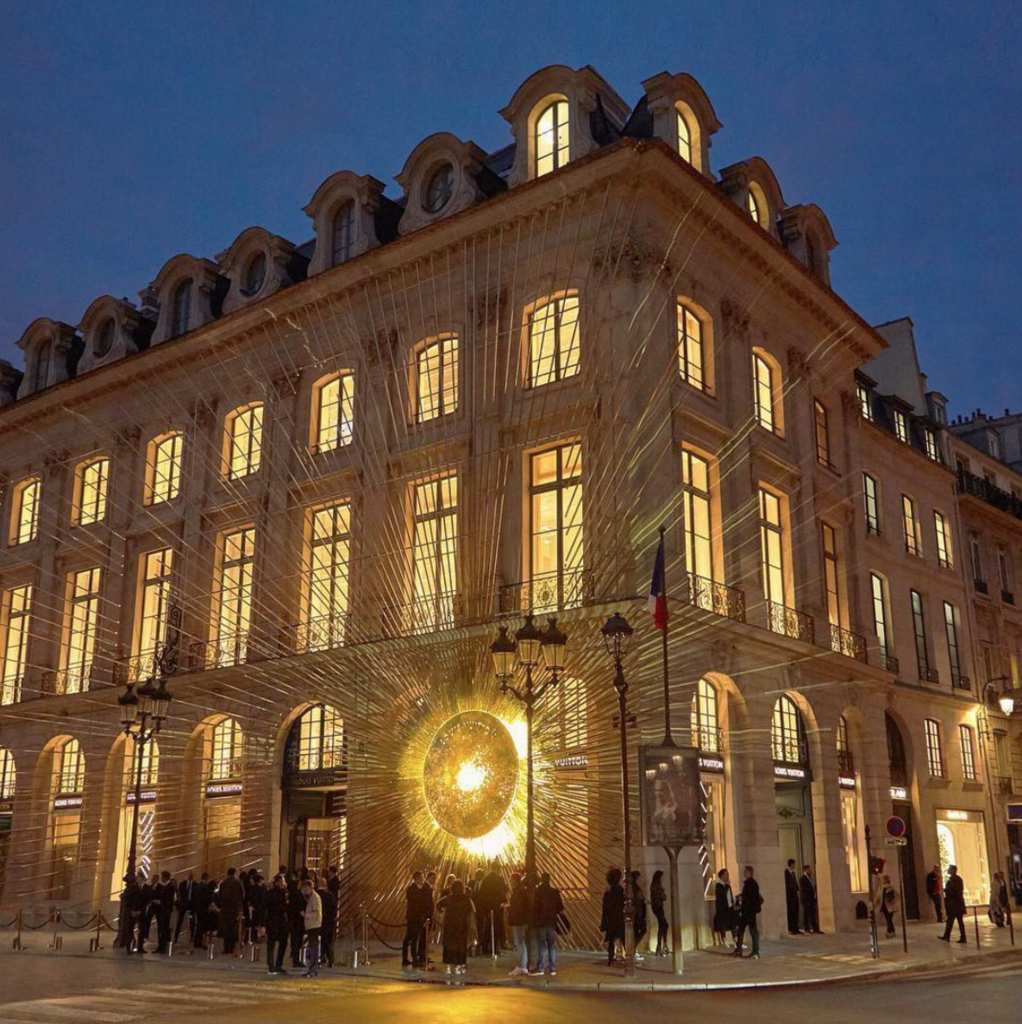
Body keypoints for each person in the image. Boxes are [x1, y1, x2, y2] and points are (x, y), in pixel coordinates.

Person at [438, 879, 475, 976]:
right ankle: (460, 963)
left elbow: (438, 904)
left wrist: (442, 912)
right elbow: (471, 911)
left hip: (450, 925)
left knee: (450, 944)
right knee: (461, 945)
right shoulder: (466, 899)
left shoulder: (448, 898)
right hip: (462, 926)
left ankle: (449, 963)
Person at [532, 872, 565, 976]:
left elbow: (535, 908)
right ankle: (552, 968)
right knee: (551, 945)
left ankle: (540, 967)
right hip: (551, 922)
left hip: (541, 922)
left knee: (542, 945)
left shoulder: (538, 892)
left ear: (541, 880)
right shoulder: (554, 892)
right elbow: (560, 908)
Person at [402, 870, 431, 969]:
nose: (423, 879)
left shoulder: (424, 888)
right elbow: (415, 901)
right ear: (416, 879)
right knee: (411, 938)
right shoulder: (411, 889)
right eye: (421, 877)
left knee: (415, 938)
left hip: (420, 917)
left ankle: (415, 957)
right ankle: (410, 958)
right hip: (412, 917)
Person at [478, 863, 508, 954]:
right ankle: (495, 948)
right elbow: (503, 892)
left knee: (487, 927)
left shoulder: (486, 879)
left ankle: (485, 948)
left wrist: (483, 906)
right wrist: (503, 901)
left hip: (487, 906)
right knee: (497, 927)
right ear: (498, 869)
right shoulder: (500, 879)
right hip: (497, 906)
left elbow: (481, 894)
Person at [506, 872, 532, 977]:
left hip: (519, 921)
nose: (511, 883)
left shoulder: (518, 892)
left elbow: (518, 907)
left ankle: (521, 966)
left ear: (515, 881)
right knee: (522, 944)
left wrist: (510, 911)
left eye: (512, 880)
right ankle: (523, 966)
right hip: (521, 920)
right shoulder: (521, 891)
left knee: (519, 944)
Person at [734, 865, 762, 959]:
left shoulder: (752, 884)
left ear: (750, 873)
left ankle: (755, 951)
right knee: (742, 930)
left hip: (749, 912)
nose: (744, 873)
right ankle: (739, 949)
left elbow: (751, 898)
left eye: (745, 872)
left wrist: (743, 903)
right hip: (747, 912)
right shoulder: (749, 883)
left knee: (753, 931)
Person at [600, 867, 626, 966]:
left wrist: (604, 921)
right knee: (623, 939)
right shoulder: (621, 891)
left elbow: (605, 909)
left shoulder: (608, 893)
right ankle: (628, 959)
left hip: (611, 919)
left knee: (611, 940)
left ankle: (610, 959)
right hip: (620, 918)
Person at [265, 874, 290, 974]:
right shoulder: (272, 893)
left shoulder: (284, 893)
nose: (282, 883)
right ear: (276, 882)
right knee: (272, 944)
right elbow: (266, 908)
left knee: (282, 943)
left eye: (283, 881)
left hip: (281, 922)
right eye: (281, 881)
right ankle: (272, 965)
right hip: (274, 921)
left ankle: (277, 965)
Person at [217, 867, 245, 955]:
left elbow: (219, 895)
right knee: (233, 929)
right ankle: (231, 948)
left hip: (225, 909)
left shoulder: (223, 883)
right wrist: (240, 909)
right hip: (234, 909)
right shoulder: (237, 882)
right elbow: (241, 896)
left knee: (226, 928)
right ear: (235, 873)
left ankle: (226, 948)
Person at [300, 879, 322, 977]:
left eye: (305, 888)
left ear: (310, 887)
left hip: (314, 925)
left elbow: (317, 913)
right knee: (312, 947)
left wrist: (306, 915)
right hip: (311, 925)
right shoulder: (311, 897)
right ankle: (312, 969)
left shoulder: (315, 897)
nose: (304, 890)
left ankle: (313, 969)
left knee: (313, 948)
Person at [939, 864, 966, 943]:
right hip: (953, 904)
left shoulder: (957, 880)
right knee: (950, 921)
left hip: (956, 904)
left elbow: (956, 891)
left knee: (959, 921)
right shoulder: (952, 879)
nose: (948, 870)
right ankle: (947, 936)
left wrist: (947, 890)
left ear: (953, 870)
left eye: (949, 869)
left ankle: (962, 937)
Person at [713, 868, 737, 948]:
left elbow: (730, 895)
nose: (727, 876)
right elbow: (721, 897)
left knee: (733, 923)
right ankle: (724, 939)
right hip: (722, 909)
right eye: (726, 875)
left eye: (728, 874)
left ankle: (735, 939)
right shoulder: (718, 885)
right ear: (722, 876)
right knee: (722, 924)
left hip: (730, 907)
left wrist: (733, 903)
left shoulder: (727, 886)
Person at [154, 870, 176, 953]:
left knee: (163, 929)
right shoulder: (164, 886)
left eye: (162, 877)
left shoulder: (170, 887)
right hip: (162, 911)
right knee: (161, 929)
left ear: (165, 877)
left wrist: (160, 902)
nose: (161, 879)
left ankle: (162, 947)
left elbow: (169, 900)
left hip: (165, 912)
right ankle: (161, 946)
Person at [317, 876, 337, 967]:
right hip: (329, 921)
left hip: (319, 921)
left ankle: (322, 958)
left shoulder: (317, 895)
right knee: (328, 941)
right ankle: (330, 959)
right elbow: (334, 909)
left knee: (321, 940)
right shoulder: (330, 895)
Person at [287, 874, 305, 967]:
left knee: (295, 940)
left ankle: (295, 957)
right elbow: (301, 908)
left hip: (292, 920)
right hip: (298, 921)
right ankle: (296, 959)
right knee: (297, 941)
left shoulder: (290, 895)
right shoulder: (298, 895)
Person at [650, 870, 669, 956]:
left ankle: (662, 946)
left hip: (657, 907)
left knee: (664, 925)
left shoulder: (654, 886)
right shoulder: (657, 886)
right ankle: (661, 946)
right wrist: (663, 895)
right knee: (663, 925)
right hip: (658, 908)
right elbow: (663, 897)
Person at [173, 873, 195, 947]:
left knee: (192, 921)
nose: (190, 877)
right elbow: (179, 894)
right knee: (180, 921)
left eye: (191, 876)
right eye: (189, 876)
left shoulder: (195, 884)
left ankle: (192, 937)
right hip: (183, 905)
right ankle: (176, 937)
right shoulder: (182, 884)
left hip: (191, 905)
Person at [629, 870, 648, 955]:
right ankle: (633, 948)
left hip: (637, 913)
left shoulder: (634, 887)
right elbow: (637, 900)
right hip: (637, 914)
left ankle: (633, 948)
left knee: (637, 931)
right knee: (641, 930)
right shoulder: (634, 888)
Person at [800, 865, 820, 934]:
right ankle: (807, 928)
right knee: (806, 914)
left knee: (813, 914)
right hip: (806, 899)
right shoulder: (802, 878)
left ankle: (815, 928)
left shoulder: (810, 877)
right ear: (805, 870)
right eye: (809, 869)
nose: (810, 870)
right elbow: (803, 889)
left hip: (811, 898)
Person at [784, 859, 801, 934]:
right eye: (794, 864)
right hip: (790, 897)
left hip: (795, 896)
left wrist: (797, 890)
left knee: (795, 912)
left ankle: (796, 928)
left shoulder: (793, 873)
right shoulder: (786, 873)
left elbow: (795, 884)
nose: (795, 866)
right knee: (791, 913)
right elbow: (788, 885)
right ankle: (791, 928)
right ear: (791, 864)